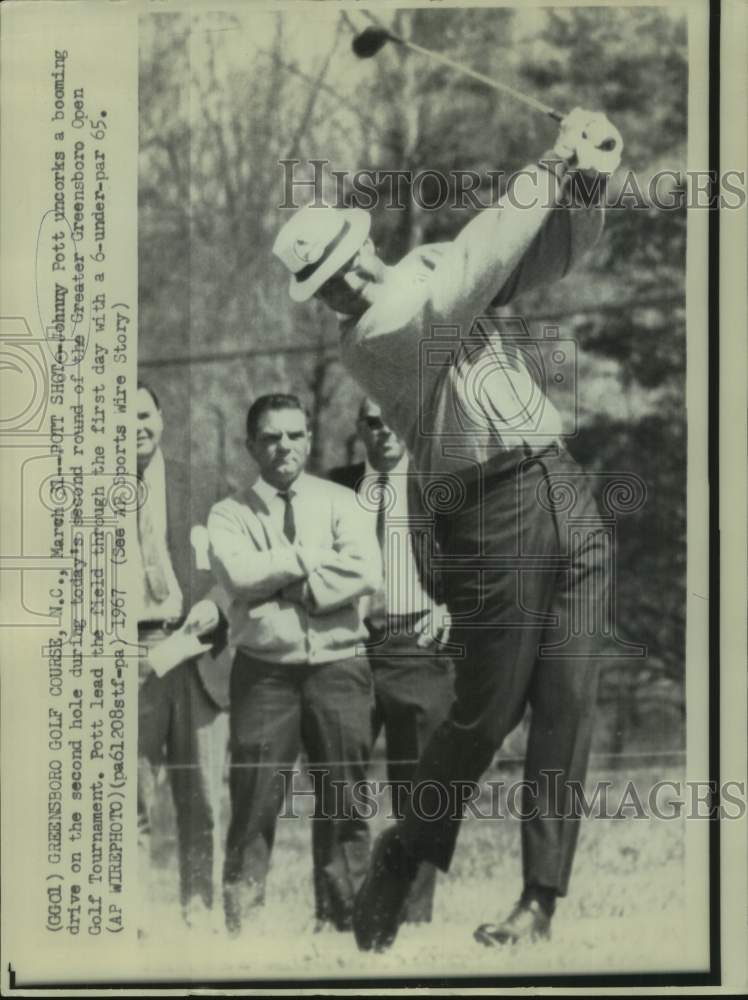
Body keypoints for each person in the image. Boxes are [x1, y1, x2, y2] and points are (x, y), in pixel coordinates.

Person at [272, 109, 622, 951]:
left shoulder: (428, 270)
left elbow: (546, 254)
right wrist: (548, 162)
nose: (336, 293)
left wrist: (589, 179)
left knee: (568, 700)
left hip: (559, 481)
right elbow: (479, 262)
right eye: (321, 289)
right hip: (486, 513)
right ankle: (406, 848)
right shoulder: (377, 338)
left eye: (335, 271)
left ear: (358, 245)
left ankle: (539, 899)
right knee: (485, 715)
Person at [207, 392, 382, 935]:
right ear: (251, 446)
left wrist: (283, 581)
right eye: (271, 437)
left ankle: (343, 918)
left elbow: (365, 573)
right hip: (265, 671)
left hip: (339, 666)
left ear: (308, 438)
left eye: (294, 435)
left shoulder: (343, 502)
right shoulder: (227, 513)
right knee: (255, 797)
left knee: (346, 797)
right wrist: (309, 558)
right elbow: (237, 575)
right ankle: (245, 923)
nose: (284, 446)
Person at [329, 397, 455, 925]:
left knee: (421, 785)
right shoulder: (331, 489)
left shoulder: (439, 484)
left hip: (417, 644)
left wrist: (455, 608)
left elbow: (477, 556)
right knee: (339, 778)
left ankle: (411, 914)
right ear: (359, 429)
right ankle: (344, 910)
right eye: (371, 422)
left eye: (390, 419)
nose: (382, 431)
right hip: (348, 646)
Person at [135, 382, 231, 935]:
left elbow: (233, 570)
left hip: (194, 652)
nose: (133, 428)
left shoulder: (203, 486)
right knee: (128, 796)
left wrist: (217, 608)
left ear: (162, 417)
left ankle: (200, 911)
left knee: (200, 796)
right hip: (127, 656)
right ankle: (130, 916)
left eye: (143, 415)